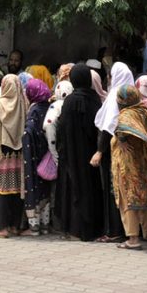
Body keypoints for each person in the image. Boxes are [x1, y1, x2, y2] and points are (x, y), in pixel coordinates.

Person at [111, 85, 147, 250]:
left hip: (128, 165)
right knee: (146, 196)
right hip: (145, 162)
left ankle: (133, 239)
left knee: (128, 200)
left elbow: (123, 129)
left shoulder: (126, 115)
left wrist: (121, 139)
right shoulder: (144, 111)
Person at [56, 65, 103, 241]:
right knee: (91, 188)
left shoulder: (69, 102)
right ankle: (93, 228)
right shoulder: (95, 99)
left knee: (74, 188)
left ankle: (75, 230)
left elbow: (62, 128)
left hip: (72, 153)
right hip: (91, 153)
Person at [91, 62, 134, 242]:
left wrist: (99, 152)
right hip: (130, 151)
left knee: (113, 190)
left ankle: (114, 231)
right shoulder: (132, 95)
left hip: (114, 151)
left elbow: (107, 128)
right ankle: (131, 231)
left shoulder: (115, 97)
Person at [0, 74, 27, 238]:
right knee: (17, 190)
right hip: (18, 152)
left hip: (2, 152)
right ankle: (15, 226)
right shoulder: (23, 103)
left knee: (2, 190)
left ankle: (2, 228)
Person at [21, 79, 52, 236]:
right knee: (45, 188)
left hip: (34, 154)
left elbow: (30, 131)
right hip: (47, 154)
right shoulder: (49, 106)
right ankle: (45, 225)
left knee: (33, 187)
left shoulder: (34, 110)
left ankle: (34, 227)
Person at [43, 81, 73, 165]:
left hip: (60, 150)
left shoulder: (56, 106)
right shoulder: (73, 103)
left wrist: (54, 155)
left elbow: (49, 125)